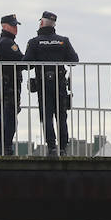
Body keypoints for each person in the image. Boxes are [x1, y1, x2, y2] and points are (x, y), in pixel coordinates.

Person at [24, 11, 78, 157]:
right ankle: (63, 148)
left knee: (46, 116)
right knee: (61, 115)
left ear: (41, 23)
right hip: (60, 83)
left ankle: (52, 147)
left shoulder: (34, 42)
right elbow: (74, 60)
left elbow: (26, 64)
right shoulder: (63, 41)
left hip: (43, 84)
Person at [0, 14, 26, 156]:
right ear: (4, 26)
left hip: (9, 82)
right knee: (9, 116)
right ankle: (5, 146)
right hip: (9, 83)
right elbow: (20, 59)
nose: (16, 29)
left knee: (7, 115)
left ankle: (4, 146)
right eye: (13, 26)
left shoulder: (6, 41)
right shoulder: (6, 43)